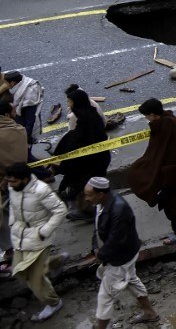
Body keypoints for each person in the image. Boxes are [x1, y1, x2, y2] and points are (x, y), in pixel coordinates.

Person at [125, 98, 176, 245]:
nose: (147, 119)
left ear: (153, 114)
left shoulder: (169, 124)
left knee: (171, 201)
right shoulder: (163, 122)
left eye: (147, 116)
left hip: (172, 170)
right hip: (169, 170)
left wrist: (168, 170)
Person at [83, 176, 160, 327]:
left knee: (105, 296)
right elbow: (97, 227)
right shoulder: (102, 203)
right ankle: (150, 312)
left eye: (88, 195)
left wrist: (101, 255)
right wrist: (95, 247)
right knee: (132, 280)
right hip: (124, 252)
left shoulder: (118, 210)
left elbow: (115, 241)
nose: (86, 198)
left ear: (100, 194)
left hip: (120, 257)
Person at [4, 162, 68, 322]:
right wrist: (13, 222)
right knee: (19, 271)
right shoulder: (13, 188)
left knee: (35, 280)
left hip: (39, 238)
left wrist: (44, 231)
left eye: (13, 181)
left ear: (25, 179)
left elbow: (60, 210)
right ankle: (54, 262)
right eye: (8, 181)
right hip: (20, 235)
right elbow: (13, 204)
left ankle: (53, 302)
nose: (9, 185)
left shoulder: (41, 190)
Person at [53, 88, 110, 221]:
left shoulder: (82, 118)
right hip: (94, 158)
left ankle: (89, 212)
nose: (68, 104)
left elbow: (78, 140)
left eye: (70, 101)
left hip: (92, 161)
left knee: (85, 186)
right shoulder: (88, 113)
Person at [1, 97, 28, 267]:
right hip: (20, 180)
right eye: (12, 111)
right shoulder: (20, 130)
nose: (14, 113)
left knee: (5, 218)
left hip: (3, 184)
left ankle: (10, 250)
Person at [3, 71, 44, 144]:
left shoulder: (30, 95)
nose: (5, 85)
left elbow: (30, 121)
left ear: (12, 83)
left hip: (23, 121)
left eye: (6, 83)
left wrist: (24, 139)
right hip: (18, 114)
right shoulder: (18, 83)